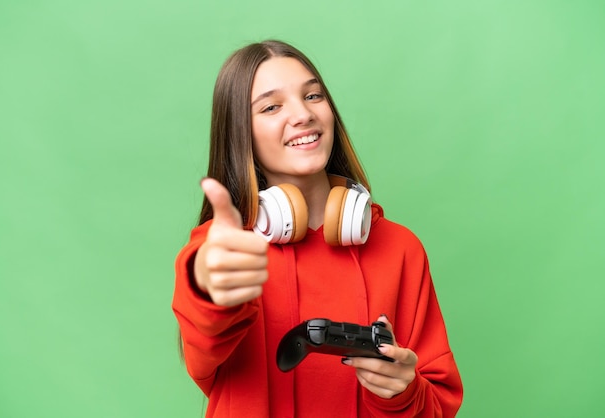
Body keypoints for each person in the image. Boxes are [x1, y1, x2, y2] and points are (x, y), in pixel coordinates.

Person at [172, 40, 463, 417]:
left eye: (313, 96)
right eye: (272, 106)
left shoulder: (400, 248)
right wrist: (208, 279)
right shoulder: (229, 252)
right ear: (241, 133)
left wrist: (402, 392)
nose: (302, 114)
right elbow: (202, 343)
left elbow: (437, 406)